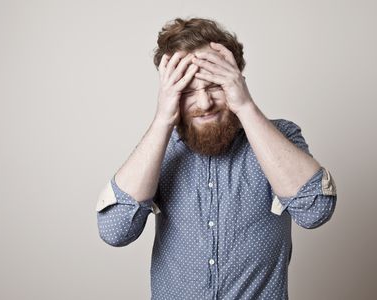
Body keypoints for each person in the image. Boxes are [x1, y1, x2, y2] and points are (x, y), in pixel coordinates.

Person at [95, 17, 337, 300]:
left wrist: (245, 106)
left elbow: (315, 210)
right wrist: (163, 119)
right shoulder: (160, 148)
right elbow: (115, 231)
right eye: (187, 91)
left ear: (238, 80)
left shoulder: (280, 136)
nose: (204, 103)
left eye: (215, 86)